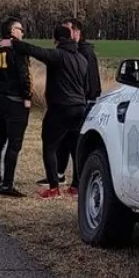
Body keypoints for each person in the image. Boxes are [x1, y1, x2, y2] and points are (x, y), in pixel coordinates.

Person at [0, 24, 88, 198]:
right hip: (80, 108)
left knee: (50, 146)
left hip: (60, 108)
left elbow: (34, 50)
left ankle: (54, 187)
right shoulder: (82, 59)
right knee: (74, 147)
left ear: (56, 40)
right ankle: (76, 186)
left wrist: (13, 43)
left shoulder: (58, 55)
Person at [36, 17, 101, 186]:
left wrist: (87, 100)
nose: (65, 34)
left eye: (68, 30)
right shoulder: (71, 52)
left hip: (83, 103)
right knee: (64, 141)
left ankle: (75, 182)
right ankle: (59, 173)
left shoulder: (85, 54)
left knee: (73, 142)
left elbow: (92, 82)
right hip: (73, 103)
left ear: (77, 32)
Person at [0, 17, 32, 197]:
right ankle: (7, 184)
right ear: (12, 31)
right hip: (15, 102)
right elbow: (24, 74)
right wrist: (27, 96)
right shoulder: (17, 49)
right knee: (14, 144)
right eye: (20, 29)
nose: (22, 32)